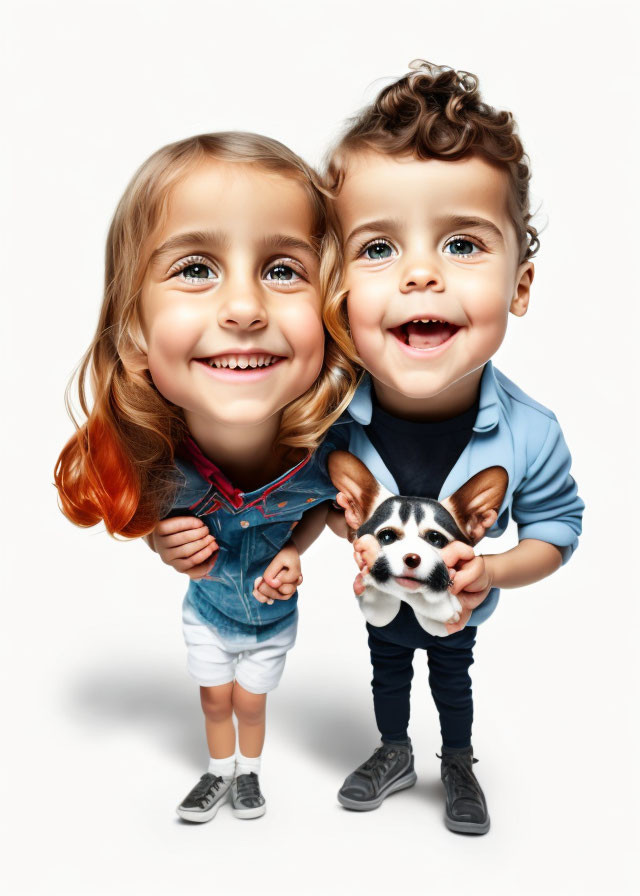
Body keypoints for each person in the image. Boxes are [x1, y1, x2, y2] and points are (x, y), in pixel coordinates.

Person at [54, 132, 356, 823]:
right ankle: (218, 771)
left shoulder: (339, 454)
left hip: (274, 621)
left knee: (250, 701)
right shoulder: (152, 457)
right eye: (196, 268)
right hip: (208, 616)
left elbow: (337, 509)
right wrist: (160, 540)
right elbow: (140, 507)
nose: (244, 308)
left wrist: (313, 543)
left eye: (283, 270)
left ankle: (247, 773)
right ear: (134, 333)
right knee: (215, 697)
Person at [320, 59, 584, 834]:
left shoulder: (530, 431)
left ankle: (458, 763)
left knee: (453, 678)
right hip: (379, 611)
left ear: (521, 286)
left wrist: (492, 569)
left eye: (463, 245)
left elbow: (558, 530)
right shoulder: (325, 416)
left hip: (453, 615)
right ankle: (393, 748)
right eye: (377, 250)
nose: (422, 274)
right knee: (387, 672)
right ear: (333, 284)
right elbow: (288, 492)